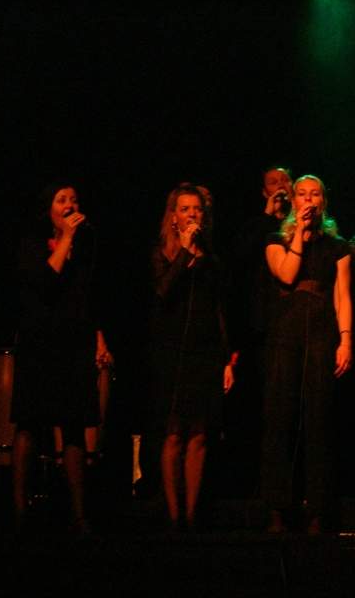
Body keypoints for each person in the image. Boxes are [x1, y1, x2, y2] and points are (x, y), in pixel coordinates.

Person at [10, 180, 113, 536]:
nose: (70, 205)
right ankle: (20, 512)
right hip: (39, 342)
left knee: (74, 426)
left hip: (73, 344)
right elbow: (44, 282)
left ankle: (79, 515)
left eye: (74, 199)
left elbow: (88, 296)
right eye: (62, 199)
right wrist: (66, 237)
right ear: (49, 208)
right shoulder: (32, 243)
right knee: (29, 424)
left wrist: (98, 337)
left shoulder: (85, 245)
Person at [259, 174, 352, 534]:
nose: (308, 200)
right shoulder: (275, 239)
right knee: (280, 418)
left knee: (319, 419)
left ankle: (317, 507)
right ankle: (277, 506)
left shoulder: (337, 245)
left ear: (323, 202)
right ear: (294, 201)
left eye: (315, 194)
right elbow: (286, 274)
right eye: (302, 194)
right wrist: (298, 231)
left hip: (323, 331)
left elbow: (343, 295)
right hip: (286, 332)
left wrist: (345, 340)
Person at [147, 182, 236, 531]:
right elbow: (163, 291)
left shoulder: (212, 259)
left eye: (196, 209)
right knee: (173, 433)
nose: (192, 214)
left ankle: (191, 515)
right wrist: (184, 252)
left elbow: (220, 310)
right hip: (172, 353)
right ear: (173, 217)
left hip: (205, 352)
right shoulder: (161, 254)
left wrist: (228, 359)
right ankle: (173, 517)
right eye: (184, 209)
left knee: (199, 434)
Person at [222, 165, 294, 498]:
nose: (280, 187)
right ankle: (255, 485)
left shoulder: (303, 223)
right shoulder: (255, 226)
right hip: (261, 329)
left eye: (284, 181)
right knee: (259, 409)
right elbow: (241, 257)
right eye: (272, 183)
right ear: (264, 192)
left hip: (294, 323)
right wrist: (268, 215)